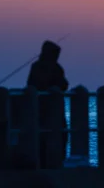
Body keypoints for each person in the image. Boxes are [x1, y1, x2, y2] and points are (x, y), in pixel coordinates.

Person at [26, 40, 69, 168]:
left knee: (41, 136)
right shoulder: (56, 68)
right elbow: (64, 85)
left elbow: (30, 84)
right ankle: (56, 161)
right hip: (52, 110)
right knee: (59, 135)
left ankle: (42, 161)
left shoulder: (36, 66)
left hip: (38, 109)